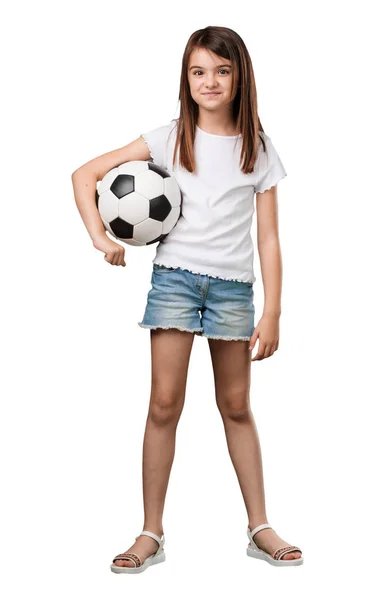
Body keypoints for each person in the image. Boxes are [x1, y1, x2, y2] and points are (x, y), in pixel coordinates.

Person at [72, 25, 304, 572]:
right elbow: (84, 175)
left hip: (233, 292)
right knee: (163, 405)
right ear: (186, 78)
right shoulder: (169, 137)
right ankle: (150, 533)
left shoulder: (260, 149)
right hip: (175, 281)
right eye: (199, 71)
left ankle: (260, 527)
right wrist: (101, 238)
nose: (210, 81)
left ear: (240, 76)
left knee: (237, 407)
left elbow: (268, 237)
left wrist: (272, 311)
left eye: (222, 71)